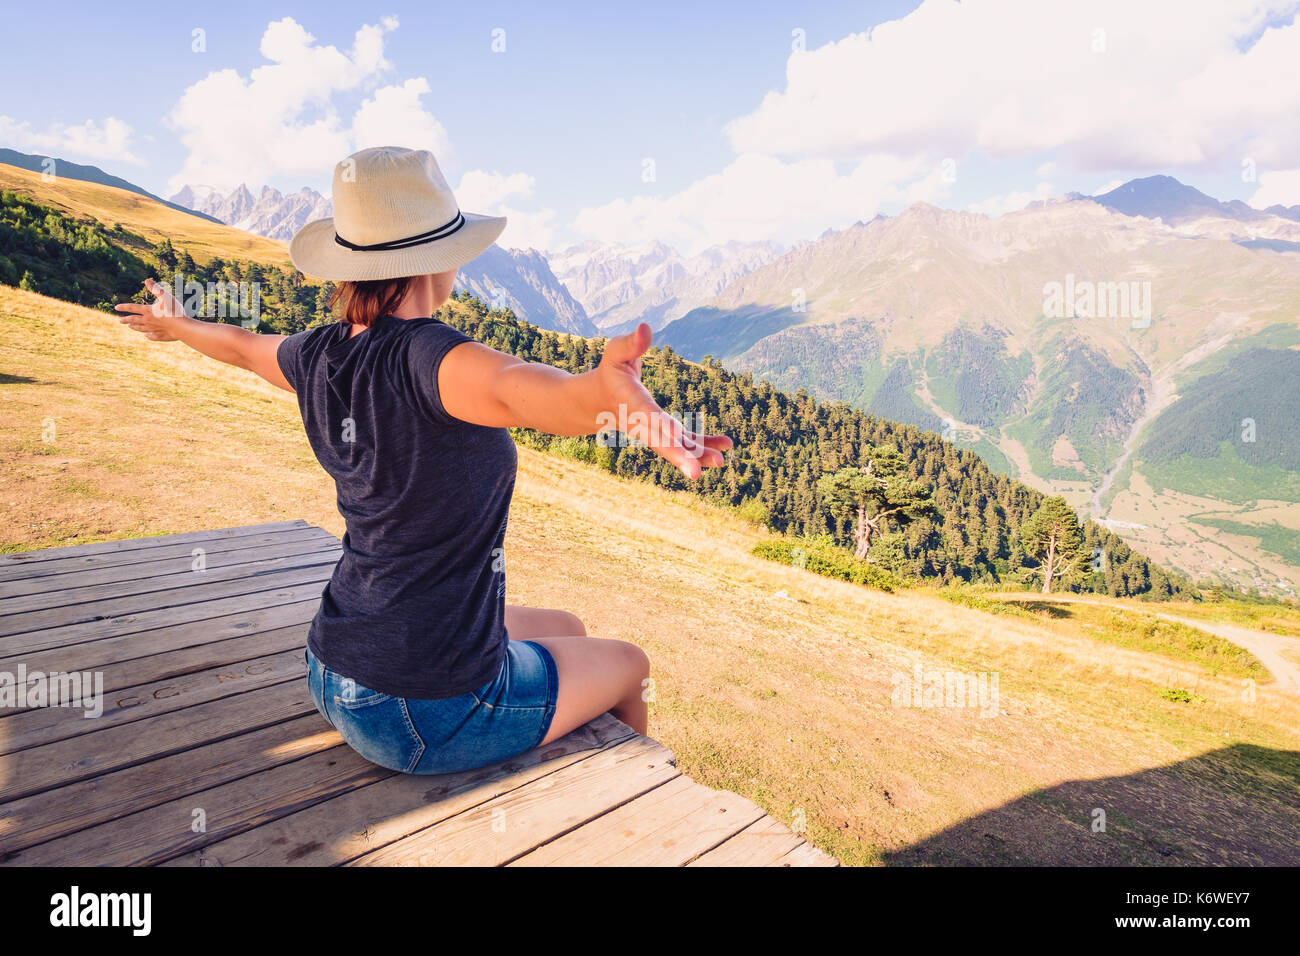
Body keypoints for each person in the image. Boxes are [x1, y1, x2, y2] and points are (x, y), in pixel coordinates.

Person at [115, 145, 731, 775]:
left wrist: (177, 327)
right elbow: (531, 391)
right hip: (420, 710)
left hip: (333, 665)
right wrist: (608, 398)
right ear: (442, 259)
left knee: (566, 625)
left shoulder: (320, 353)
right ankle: (637, 802)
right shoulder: (432, 357)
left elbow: (245, 348)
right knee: (630, 666)